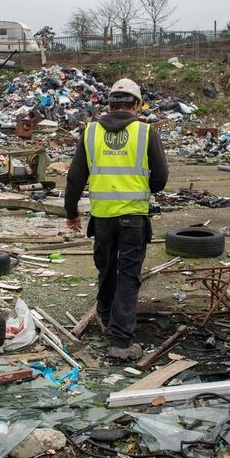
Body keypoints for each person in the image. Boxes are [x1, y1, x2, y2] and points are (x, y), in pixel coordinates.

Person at [64, 79, 169, 360]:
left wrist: (71, 212)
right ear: (135, 105)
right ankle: (121, 342)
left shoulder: (90, 133)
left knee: (107, 271)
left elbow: (75, 178)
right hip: (133, 217)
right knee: (128, 276)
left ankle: (107, 319)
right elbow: (160, 179)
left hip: (102, 219)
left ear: (110, 104)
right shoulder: (146, 133)